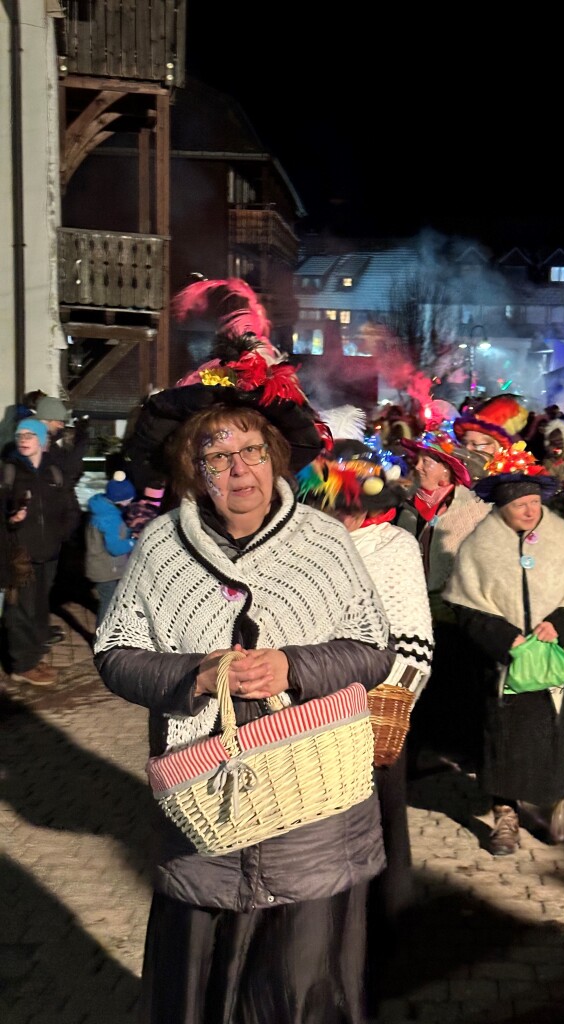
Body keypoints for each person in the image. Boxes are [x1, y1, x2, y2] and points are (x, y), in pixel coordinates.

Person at [93, 277, 395, 1024]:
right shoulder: (162, 547)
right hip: (207, 816)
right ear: (193, 468)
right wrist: (192, 674)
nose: (239, 471)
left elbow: (374, 649)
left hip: (313, 815)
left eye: (251, 452)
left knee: (299, 986)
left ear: (276, 457)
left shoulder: (325, 543)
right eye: (217, 456)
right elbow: (115, 654)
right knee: (199, 984)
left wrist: (294, 666)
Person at [295, 434, 434, 1014]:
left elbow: (414, 640)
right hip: (304, 719)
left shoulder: (395, 546)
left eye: (353, 502)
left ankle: (374, 961)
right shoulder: (303, 545)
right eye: (336, 502)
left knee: (375, 840)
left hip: (369, 722)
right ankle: (314, 954)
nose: (345, 513)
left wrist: (382, 705)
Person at [443, 445, 564, 854]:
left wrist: (561, 624)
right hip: (506, 663)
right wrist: (504, 638)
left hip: (557, 657)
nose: (530, 510)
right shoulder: (479, 546)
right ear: (503, 506)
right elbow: (466, 607)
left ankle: (560, 801)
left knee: (559, 733)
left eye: (535, 502)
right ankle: (506, 816)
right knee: (506, 739)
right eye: (521, 503)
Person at [396, 429, 491, 771]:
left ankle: (465, 750)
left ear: (447, 471)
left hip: (455, 613)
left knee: (459, 684)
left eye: (428, 461)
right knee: (415, 684)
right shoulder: (405, 508)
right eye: (418, 459)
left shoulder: (474, 511)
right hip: (412, 611)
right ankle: (415, 752)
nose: (418, 466)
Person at [1, 418, 80, 685]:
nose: (23, 439)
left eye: (29, 435)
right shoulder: (8, 472)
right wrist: (12, 521)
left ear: (42, 441)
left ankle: (33, 657)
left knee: (38, 607)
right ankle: (22, 665)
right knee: (19, 609)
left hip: (48, 554)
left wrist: (62, 535)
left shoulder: (54, 472)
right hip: (18, 553)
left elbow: (71, 508)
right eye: (20, 435)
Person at [84, 470, 137, 626]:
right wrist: (132, 542)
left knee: (108, 601)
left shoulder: (102, 510)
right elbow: (115, 548)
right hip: (106, 569)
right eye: (129, 499)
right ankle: (102, 639)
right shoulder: (110, 518)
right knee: (108, 605)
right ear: (121, 500)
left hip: (100, 565)